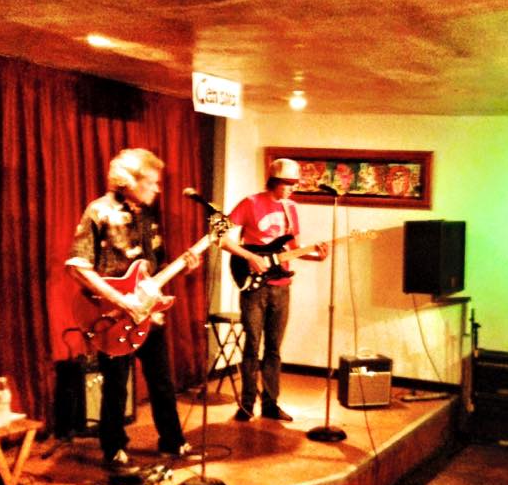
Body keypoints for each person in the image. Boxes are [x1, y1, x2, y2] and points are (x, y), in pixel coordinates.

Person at [66, 148, 196, 466]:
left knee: (162, 381)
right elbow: (77, 266)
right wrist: (120, 300)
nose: (157, 188)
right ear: (128, 181)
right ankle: (113, 448)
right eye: (150, 182)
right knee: (116, 386)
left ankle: (173, 441)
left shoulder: (148, 216)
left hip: (148, 312)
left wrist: (185, 265)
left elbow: (155, 267)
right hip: (113, 314)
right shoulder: (99, 211)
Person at [221, 158, 328, 422]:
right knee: (252, 346)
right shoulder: (250, 203)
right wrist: (249, 256)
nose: (292, 188)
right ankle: (247, 405)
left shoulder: (291, 209)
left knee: (274, 349)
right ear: (274, 181)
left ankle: (271, 404)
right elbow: (221, 238)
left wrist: (317, 256)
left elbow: (293, 248)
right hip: (255, 286)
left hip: (281, 287)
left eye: (295, 183)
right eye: (287, 183)